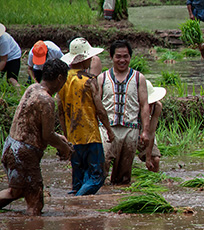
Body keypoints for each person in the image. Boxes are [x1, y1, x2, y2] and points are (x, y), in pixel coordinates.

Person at [0, 59, 73, 215]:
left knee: (16, 192)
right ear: (60, 78)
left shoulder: (33, 88)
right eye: (64, 80)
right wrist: (64, 148)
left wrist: (59, 137)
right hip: (23, 152)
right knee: (35, 201)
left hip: (10, 146)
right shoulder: (47, 100)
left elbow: (32, 124)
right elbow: (47, 135)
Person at [57, 38, 114, 196]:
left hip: (73, 137)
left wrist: (66, 135)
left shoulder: (62, 81)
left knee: (78, 178)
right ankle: (77, 200)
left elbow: (60, 111)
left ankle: (75, 211)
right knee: (98, 176)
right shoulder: (89, 81)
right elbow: (100, 110)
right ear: (86, 58)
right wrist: (109, 130)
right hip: (90, 136)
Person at [97, 40, 151, 186]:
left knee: (124, 172)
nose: (122, 60)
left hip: (131, 129)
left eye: (126, 56)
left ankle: (119, 197)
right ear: (111, 57)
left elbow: (144, 106)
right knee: (102, 165)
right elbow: (96, 105)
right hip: (107, 129)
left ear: (130, 57)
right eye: (118, 56)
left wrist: (145, 131)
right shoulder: (102, 78)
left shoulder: (139, 78)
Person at [138, 80, 167, 173]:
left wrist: (148, 157)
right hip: (131, 129)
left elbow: (151, 132)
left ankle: (155, 178)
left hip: (145, 132)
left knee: (155, 160)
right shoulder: (133, 106)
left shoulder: (157, 107)